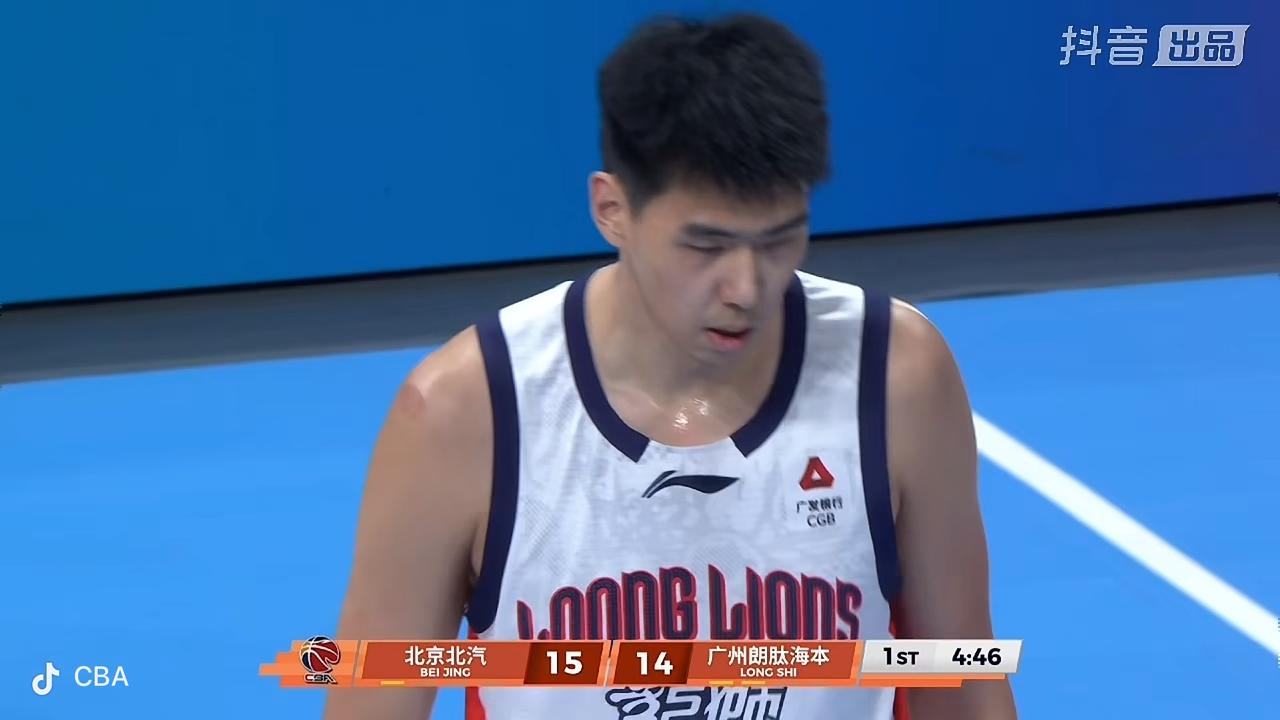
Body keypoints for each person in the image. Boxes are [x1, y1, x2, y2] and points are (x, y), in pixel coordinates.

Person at [326, 12, 1016, 720]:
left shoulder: (896, 375)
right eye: (706, 247)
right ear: (612, 209)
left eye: (779, 239)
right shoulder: (464, 413)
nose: (746, 288)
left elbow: (960, 674)